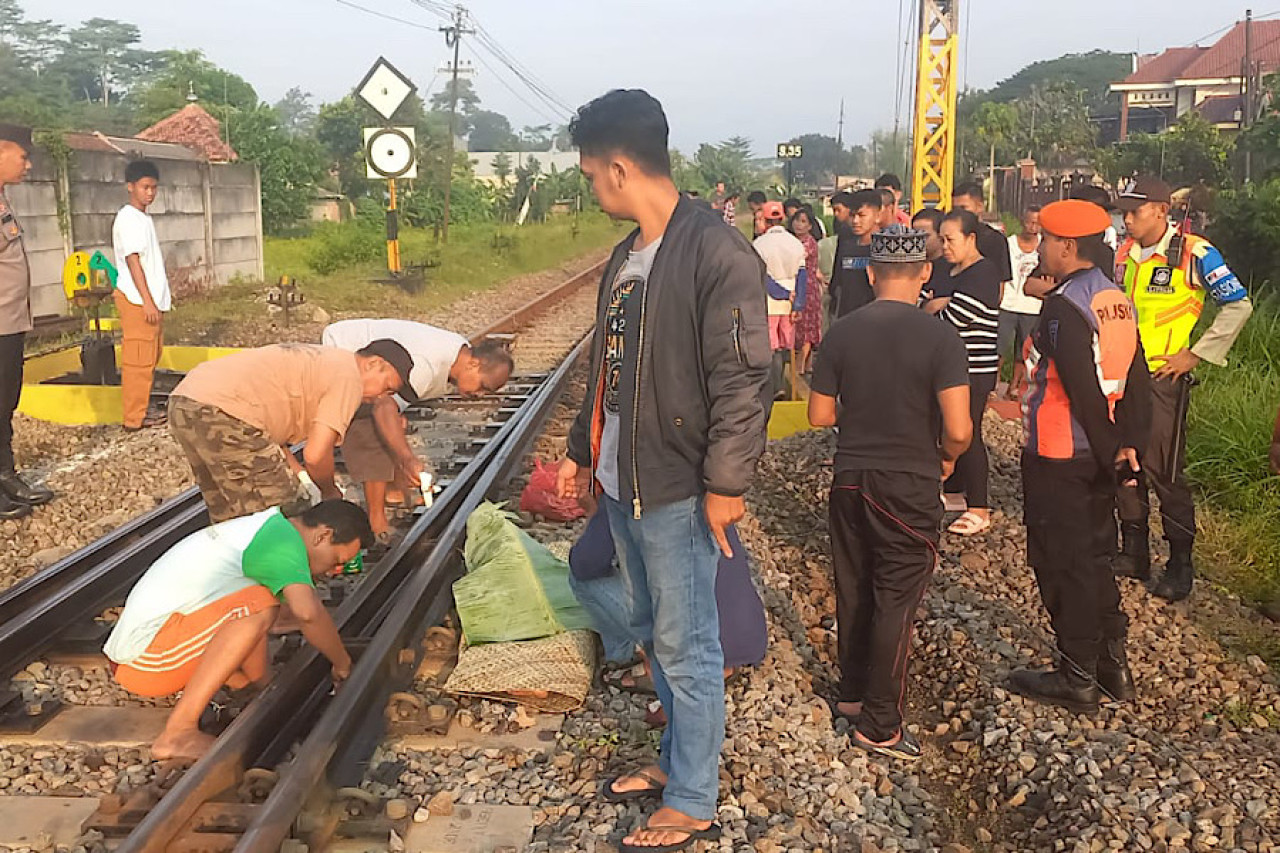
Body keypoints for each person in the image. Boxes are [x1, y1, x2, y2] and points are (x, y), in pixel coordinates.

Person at [557, 88, 770, 853]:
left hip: (679, 486)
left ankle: (692, 796)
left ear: (618, 168)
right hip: (625, 480)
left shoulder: (715, 250)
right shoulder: (626, 258)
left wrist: (727, 484)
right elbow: (608, 364)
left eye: (589, 175)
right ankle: (679, 761)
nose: (590, 188)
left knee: (688, 644)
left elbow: (745, 378)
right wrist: (586, 454)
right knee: (653, 631)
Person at [809, 225, 972, 760]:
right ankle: (880, 726)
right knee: (896, 601)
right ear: (924, 273)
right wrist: (946, 458)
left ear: (872, 274)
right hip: (908, 482)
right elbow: (960, 428)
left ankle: (853, 695)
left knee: (854, 587)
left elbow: (819, 415)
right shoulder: (940, 337)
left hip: (850, 477)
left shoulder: (842, 333)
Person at [1008, 200, 1151, 713]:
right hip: (1099, 455)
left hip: (1058, 452)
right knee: (1094, 557)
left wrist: (1110, 449)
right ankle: (1114, 667)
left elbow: (1082, 389)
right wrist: (1127, 446)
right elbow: (1137, 377)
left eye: (1045, 239)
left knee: (1059, 560)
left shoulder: (1063, 307)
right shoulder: (1116, 299)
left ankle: (1077, 674)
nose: (1040, 247)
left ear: (1068, 246)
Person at [105, 499, 373, 759]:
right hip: (145, 663)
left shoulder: (273, 530)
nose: (335, 570)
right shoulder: (281, 545)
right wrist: (343, 664)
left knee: (259, 599)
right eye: (337, 559)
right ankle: (178, 732)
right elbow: (308, 613)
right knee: (260, 607)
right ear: (323, 535)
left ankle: (258, 684)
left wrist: (267, 687)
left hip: (151, 649)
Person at [1112, 175, 1253, 601]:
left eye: (1135, 210)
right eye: (1124, 211)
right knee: (1124, 465)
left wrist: (1196, 354)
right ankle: (1133, 552)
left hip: (1161, 379)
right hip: (1121, 377)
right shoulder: (1124, 253)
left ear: (1161, 210)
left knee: (1165, 473)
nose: (1127, 218)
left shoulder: (1195, 252)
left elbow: (1238, 305)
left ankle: (1179, 564)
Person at [168, 341, 415, 523]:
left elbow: (272, 436)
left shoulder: (323, 360)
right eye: (387, 388)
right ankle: (282, 588)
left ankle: (235, 585)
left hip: (187, 400)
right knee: (282, 516)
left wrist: (301, 477)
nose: (381, 398)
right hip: (225, 412)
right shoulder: (349, 377)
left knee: (230, 515)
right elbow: (317, 454)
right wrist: (329, 492)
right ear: (374, 364)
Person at [321, 320, 513, 538]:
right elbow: (383, 406)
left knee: (395, 424)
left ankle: (393, 490)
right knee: (372, 421)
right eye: (483, 387)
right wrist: (406, 459)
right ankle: (376, 520)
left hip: (371, 357)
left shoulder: (458, 352)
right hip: (346, 350)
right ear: (474, 364)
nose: (481, 395)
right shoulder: (426, 367)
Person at [568, 503, 767, 674]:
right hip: (747, 637)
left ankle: (631, 658)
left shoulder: (626, 487)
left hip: (695, 646)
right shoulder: (701, 482)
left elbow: (584, 564)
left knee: (584, 581)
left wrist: (596, 515)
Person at [937, 209, 1002, 534]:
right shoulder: (947, 272)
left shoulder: (983, 273)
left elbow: (951, 319)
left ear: (971, 238)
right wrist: (938, 304)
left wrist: (939, 305)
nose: (945, 246)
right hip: (951, 368)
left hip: (975, 368)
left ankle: (979, 506)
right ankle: (955, 492)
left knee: (969, 433)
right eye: (942, 240)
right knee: (949, 429)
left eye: (950, 239)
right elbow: (926, 305)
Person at [0, 124, 52, 519]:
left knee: (5, 403)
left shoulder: (2, 200)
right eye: (22, 155)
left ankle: (6, 476)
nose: (28, 164)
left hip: (10, 321)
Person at [112, 159, 171, 432]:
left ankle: (142, 407)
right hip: (137, 300)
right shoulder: (127, 218)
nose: (150, 193)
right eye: (145, 187)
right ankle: (133, 418)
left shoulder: (143, 218)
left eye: (154, 188)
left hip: (149, 299)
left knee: (150, 355)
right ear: (130, 187)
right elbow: (133, 261)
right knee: (138, 359)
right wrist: (147, 300)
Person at [753, 201, 806, 399]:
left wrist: (782, 292)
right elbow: (802, 276)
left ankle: (774, 386)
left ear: (765, 221)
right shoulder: (795, 243)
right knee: (786, 345)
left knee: (771, 345)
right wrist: (797, 302)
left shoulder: (759, 244)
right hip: (790, 303)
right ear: (782, 218)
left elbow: (761, 278)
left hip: (769, 303)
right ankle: (782, 383)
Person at [998, 206, 1043, 399]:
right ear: (1022, 221)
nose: (1032, 227)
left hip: (1032, 306)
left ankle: (1014, 386)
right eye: (1029, 222)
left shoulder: (1044, 246)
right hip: (1008, 303)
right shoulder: (1008, 244)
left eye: (1037, 223)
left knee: (1023, 351)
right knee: (999, 347)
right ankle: (994, 383)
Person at [828, 189, 882, 319]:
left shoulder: (885, 248)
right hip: (847, 318)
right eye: (852, 215)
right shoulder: (846, 245)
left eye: (861, 215)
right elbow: (837, 282)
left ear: (878, 216)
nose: (856, 221)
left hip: (875, 319)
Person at [950, 181, 1013, 285]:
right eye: (955, 209)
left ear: (979, 206)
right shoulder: (947, 238)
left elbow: (1000, 284)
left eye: (964, 208)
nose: (959, 213)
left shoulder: (995, 240)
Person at [789, 207, 824, 374]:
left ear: (810, 226)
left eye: (803, 222)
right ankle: (807, 364)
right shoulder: (792, 241)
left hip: (807, 289)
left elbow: (796, 259)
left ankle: (801, 364)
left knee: (807, 328)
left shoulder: (808, 243)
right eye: (797, 220)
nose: (799, 225)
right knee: (800, 327)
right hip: (797, 287)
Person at [911, 208, 950, 311]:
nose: (918, 241)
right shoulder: (909, 266)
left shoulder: (952, 270)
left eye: (924, 236)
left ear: (940, 235)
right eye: (914, 235)